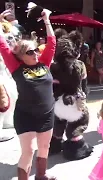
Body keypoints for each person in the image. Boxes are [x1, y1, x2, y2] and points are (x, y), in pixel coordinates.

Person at [0, 9, 56, 180]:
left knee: (44, 146)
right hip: (26, 115)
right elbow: (2, 45)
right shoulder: (16, 68)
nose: (36, 54)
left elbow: (52, 42)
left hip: (46, 114)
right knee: (28, 151)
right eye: (31, 52)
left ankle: (41, 175)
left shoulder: (44, 63)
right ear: (21, 55)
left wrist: (47, 20)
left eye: (36, 51)